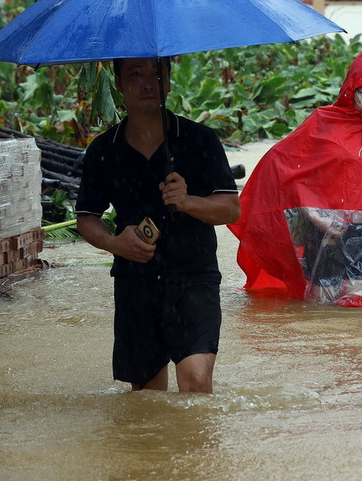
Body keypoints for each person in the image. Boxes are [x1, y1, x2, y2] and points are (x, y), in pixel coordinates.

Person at [75, 57, 240, 393]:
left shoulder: (199, 139)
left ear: (169, 80)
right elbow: (87, 217)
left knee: (196, 379)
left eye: (157, 73)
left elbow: (231, 209)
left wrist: (188, 201)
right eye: (136, 74)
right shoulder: (104, 150)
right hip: (136, 281)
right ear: (119, 83)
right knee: (148, 398)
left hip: (193, 276)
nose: (148, 83)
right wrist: (115, 243)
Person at [228, 45, 362, 307]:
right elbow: (285, 165)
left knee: (360, 312)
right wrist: (315, 216)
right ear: (353, 87)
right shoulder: (323, 121)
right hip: (325, 234)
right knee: (320, 311)